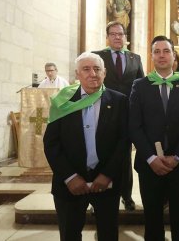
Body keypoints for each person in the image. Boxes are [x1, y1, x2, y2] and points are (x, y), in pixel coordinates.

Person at [43, 52, 129, 241]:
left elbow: (124, 141)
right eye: (86, 69)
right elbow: (51, 143)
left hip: (106, 183)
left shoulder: (119, 101)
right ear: (77, 74)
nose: (93, 73)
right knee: (70, 234)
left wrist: (107, 174)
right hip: (70, 184)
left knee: (108, 234)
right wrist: (70, 177)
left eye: (97, 69)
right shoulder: (62, 101)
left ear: (104, 73)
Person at [129, 36, 179, 241]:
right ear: (151, 56)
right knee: (152, 217)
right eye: (157, 51)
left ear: (173, 55)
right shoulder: (140, 86)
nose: (161, 55)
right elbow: (134, 126)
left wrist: (177, 157)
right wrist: (151, 158)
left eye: (166, 51)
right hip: (149, 164)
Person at [93, 21, 144, 211]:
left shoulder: (135, 58)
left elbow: (140, 86)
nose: (117, 37)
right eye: (113, 34)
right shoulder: (97, 56)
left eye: (120, 34)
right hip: (102, 111)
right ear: (107, 37)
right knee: (101, 152)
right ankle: (97, 194)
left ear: (125, 37)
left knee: (123, 155)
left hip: (128, 114)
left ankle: (127, 195)